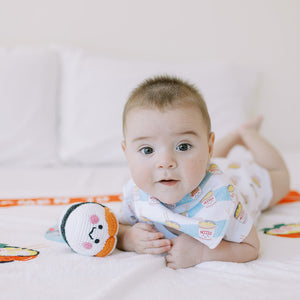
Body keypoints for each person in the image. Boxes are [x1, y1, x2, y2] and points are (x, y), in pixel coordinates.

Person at [116, 75, 290, 269]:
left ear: (209, 147)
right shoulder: (136, 194)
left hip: (245, 180)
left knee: (281, 179)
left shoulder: (223, 199)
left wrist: (203, 253)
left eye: (183, 146)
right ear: (127, 153)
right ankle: (233, 136)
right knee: (198, 163)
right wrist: (127, 237)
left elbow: (250, 247)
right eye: (147, 150)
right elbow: (118, 227)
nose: (165, 163)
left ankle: (247, 133)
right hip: (204, 167)